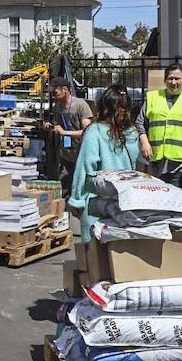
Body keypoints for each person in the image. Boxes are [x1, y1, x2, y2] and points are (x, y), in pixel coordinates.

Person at [68, 84, 141, 245]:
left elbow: (84, 168)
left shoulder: (95, 131)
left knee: (94, 259)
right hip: (123, 201)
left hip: (96, 203)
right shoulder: (132, 133)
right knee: (118, 256)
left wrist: (76, 200)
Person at [47, 76, 93, 192]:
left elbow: (87, 132)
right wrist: (50, 126)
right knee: (63, 189)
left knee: (80, 188)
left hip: (81, 155)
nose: (53, 95)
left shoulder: (80, 105)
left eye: (55, 91)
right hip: (65, 155)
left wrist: (64, 132)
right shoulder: (57, 108)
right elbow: (57, 126)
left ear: (65, 89)